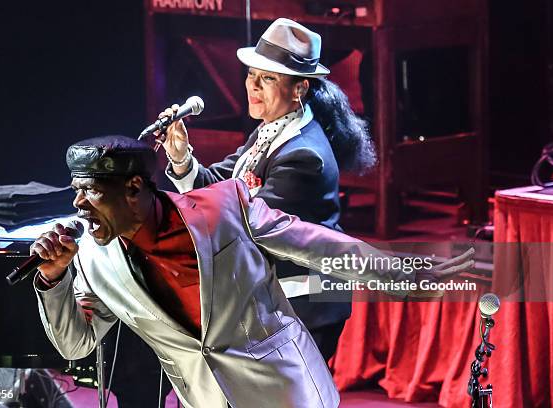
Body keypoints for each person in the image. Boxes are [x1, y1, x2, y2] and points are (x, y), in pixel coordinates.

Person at [31, 135, 474, 408]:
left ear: (133, 189)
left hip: (281, 388)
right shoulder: (91, 256)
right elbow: (76, 342)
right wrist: (53, 280)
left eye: (90, 192)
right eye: (76, 192)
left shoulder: (223, 207)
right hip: (205, 398)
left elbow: (316, 245)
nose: (78, 205)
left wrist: (402, 270)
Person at [161, 18, 375, 361]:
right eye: (251, 74)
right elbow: (222, 184)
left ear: (300, 89)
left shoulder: (304, 156)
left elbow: (247, 225)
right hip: (272, 301)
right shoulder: (272, 130)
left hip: (302, 307)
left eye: (268, 78)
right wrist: (181, 157)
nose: (253, 86)